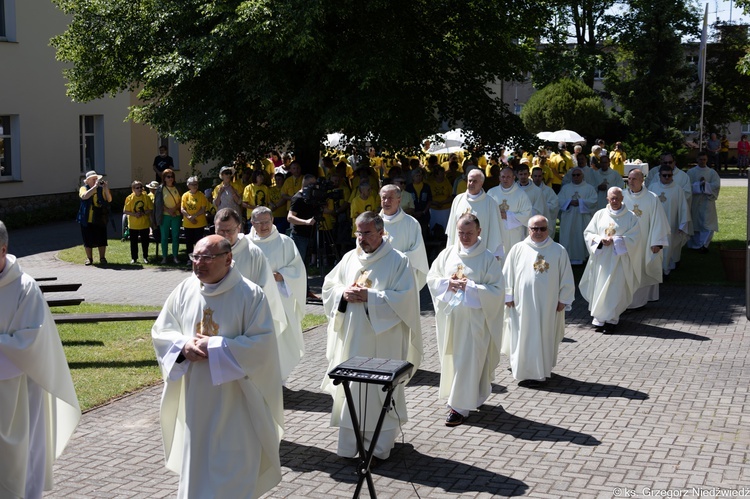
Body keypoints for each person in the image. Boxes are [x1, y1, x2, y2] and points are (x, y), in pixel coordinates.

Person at [151, 235, 283, 498]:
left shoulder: (250, 294)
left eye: (207, 258)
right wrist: (183, 346)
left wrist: (216, 347)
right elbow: (161, 331)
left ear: (228, 259)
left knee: (232, 467)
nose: (199, 264)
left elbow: (263, 345)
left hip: (236, 402)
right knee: (198, 465)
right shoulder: (184, 290)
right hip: (196, 401)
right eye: (195, 257)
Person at [320, 212, 422, 460]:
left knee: (379, 391)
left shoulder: (398, 261)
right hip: (353, 338)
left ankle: (378, 449)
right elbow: (328, 286)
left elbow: (406, 299)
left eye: (366, 233)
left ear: (381, 233)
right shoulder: (349, 258)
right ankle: (349, 446)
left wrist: (371, 297)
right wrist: (344, 293)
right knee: (352, 389)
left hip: (383, 341)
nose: (361, 238)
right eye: (358, 232)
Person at [0, 221, 81, 498]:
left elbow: (32, 341)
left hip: (21, 390)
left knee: (20, 459)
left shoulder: (25, 288)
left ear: (3, 249)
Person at [427, 213, 504, 426]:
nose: (464, 237)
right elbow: (432, 279)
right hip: (452, 320)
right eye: (461, 232)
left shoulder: (488, 258)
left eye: (469, 233)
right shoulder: (448, 254)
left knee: (469, 361)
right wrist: (447, 284)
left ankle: (458, 408)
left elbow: (497, 291)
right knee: (455, 360)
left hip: (475, 323)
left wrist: (470, 288)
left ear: (479, 232)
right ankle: (467, 396)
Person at [503, 215, 575, 386]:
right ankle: (524, 370)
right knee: (523, 335)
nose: (538, 232)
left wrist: (563, 299)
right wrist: (508, 295)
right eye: (534, 228)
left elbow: (566, 277)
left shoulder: (558, 250)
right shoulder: (518, 249)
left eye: (542, 228)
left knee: (543, 335)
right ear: (528, 229)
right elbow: (507, 274)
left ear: (548, 230)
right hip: (522, 304)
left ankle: (539, 373)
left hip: (548, 305)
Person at [249, 207, 306, 382]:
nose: (264, 226)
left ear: (273, 220)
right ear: (252, 223)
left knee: (278, 340)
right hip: (252, 302)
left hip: (279, 300)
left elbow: (297, 269)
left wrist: (280, 275)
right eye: (259, 222)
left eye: (267, 221)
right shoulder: (245, 243)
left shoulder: (284, 242)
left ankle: (277, 379)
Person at [214, 208, 287, 337]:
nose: (225, 235)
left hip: (244, 322)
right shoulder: (207, 251)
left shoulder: (253, 253)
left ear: (239, 228)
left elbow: (265, 290)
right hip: (215, 317)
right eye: (221, 231)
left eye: (229, 231)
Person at [579, 187, 641, 333]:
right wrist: (600, 240)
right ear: (607, 199)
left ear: (622, 198)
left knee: (614, 289)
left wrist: (616, 240)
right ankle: (599, 320)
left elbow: (635, 237)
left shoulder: (631, 217)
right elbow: (588, 233)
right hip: (601, 260)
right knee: (599, 287)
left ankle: (612, 320)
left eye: (617, 198)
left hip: (619, 260)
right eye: (612, 198)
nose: (614, 201)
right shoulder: (600, 215)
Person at [622, 169, 670, 309]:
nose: (631, 182)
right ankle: (626, 301)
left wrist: (657, 242)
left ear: (642, 180)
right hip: (627, 243)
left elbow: (659, 221)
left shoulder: (651, 198)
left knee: (643, 269)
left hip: (645, 242)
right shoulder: (622, 196)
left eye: (634, 179)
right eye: (629, 179)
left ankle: (640, 301)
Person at [379, 184, 429, 290]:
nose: (386, 201)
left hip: (403, 277)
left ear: (399, 200)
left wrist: (393, 261)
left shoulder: (411, 223)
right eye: (384, 198)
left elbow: (417, 253)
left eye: (390, 198)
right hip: (379, 276)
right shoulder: (373, 223)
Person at [446, 169, 503, 257]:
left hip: (481, 253)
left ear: (481, 183)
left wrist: (494, 253)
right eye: (470, 181)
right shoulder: (458, 200)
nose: (471, 183)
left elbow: (495, 231)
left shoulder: (490, 203)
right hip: (460, 252)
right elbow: (452, 229)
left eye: (475, 181)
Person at [648, 165, 691, 277]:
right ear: (659, 175)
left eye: (669, 175)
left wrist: (683, 225)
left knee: (668, 248)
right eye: (664, 175)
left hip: (671, 225)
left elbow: (683, 208)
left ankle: (665, 270)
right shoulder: (652, 187)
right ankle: (654, 270)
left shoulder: (678, 189)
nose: (667, 177)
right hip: (655, 225)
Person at [487, 166, 533, 256]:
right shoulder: (491, 193)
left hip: (514, 234)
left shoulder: (521, 194)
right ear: (499, 178)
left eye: (508, 177)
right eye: (503, 177)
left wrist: (507, 216)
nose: (505, 179)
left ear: (513, 177)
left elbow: (527, 214)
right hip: (496, 232)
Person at [557, 167, 598, 265]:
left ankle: (582, 257)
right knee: (568, 236)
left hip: (582, 218)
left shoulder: (589, 188)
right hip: (568, 218)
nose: (576, 177)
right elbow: (559, 200)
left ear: (582, 176)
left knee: (580, 235)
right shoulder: (566, 188)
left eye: (578, 175)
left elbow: (594, 201)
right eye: (574, 175)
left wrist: (580, 202)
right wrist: (570, 202)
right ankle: (567, 257)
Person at [686, 150, 721, 253]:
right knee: (695, 223)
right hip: (695, 201)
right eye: (700, 159)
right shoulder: (691, 172)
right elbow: (687, 186)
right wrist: (698, 185)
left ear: (707, 160)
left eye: (704, 159)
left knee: (707, 223)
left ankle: (704, 245)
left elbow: (716, 185)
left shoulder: (712, 172)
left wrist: (705, 185)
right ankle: (695, 245)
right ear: (697, 159)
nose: (702, 161)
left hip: (707, 202)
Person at [77, 170, 113, 265]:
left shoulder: (101, 189)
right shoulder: (83, 188)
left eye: (96, 179)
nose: (96, 180)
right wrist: (95, 187)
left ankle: (102, 258)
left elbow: (109, 199)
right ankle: (89, 259)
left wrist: (105, 188)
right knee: (87, 239)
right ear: (87, 180)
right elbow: (84, 196)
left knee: (101, 238)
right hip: (87, 218)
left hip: (100, 217)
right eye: (93, 179)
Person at [287, 174, 319, 267]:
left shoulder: (311, 197)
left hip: (310, 235)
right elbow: (290, 217)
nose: (315, 186)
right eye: (313, 184)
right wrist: (306, 222)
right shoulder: (298, 198)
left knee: (305, 263)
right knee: (298, 264)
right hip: (299, 236)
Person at [154, 168, 182, 264]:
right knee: (164, 237)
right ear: (164, 178)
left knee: (175, 236)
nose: (170, 178)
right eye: (168, 177)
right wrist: (169, 211)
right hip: (164, 216)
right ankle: (164, 257)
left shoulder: (177, 188)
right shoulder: (160, 189)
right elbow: (158, 203)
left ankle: (175, 257)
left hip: (176, 216)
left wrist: (173, 210)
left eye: (172, 176)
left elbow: (180, 201)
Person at [123, 180, 154, 264]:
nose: (140, 189)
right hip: (133, 225)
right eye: (137, 188)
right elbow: (125, 211)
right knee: (133, 243)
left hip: (144, 224)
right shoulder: (129, 198)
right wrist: (134, 214)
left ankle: (145, 257)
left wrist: (144, 213)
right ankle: (134, 258)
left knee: (145, 242)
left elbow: (150, 209)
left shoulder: (146, 197)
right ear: (133, 189)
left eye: (141, 187)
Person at [181, 176, 209, 261]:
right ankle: (189, 259)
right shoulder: (185, 195)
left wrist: (194, 216)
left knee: (199, 242)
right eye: (193, 184)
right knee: (189, 242)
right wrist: (189, 217)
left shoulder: (201, 195)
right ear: (188, 185)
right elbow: (182, 209)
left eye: (196, 184)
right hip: (188, 224)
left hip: (199, 223)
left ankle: (199, 258)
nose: (195, 186)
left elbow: (203, 209)